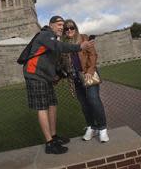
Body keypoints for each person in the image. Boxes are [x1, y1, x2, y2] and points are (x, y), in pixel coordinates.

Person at [23, 16, 95, 154]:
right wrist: (80, 46)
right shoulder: (45, 34)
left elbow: (52, 61)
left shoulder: (52, 39)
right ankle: (49, 143)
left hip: (45, 77)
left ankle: (54, 137)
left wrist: (57, 75)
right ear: (51, 25)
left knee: (52, 104)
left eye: (63, 25)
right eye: (59, 24)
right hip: (34, 75)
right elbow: (59, 47)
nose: (62, 27)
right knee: (42, 107)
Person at [61, 19, 109, 143]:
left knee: (93, 100)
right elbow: (62, 62)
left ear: (75, 28)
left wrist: (90, 70)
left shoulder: (83, 38)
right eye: (66, 29)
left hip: (88, 75)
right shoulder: (63, 44)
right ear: (64, 31)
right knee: (84, 105)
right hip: (75, 78)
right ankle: (91, 127)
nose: (69, 30)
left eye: (72, 28)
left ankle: (102, 128)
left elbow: (93, 55)